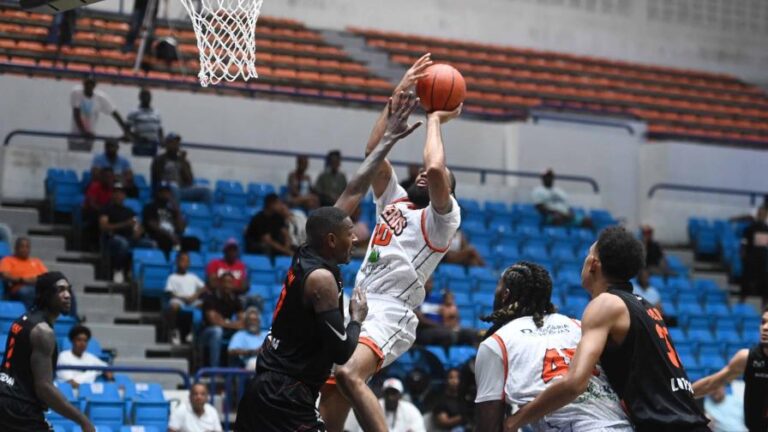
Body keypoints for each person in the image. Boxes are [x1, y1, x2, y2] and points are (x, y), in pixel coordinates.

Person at [234, 89, 421, 432]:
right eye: (350, 234)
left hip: (271, 385)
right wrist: (357, 319)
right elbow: (341, 352)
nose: (356, 239)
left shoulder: (310, 250)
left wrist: (387, 141)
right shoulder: (320, 280)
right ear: (331, 240)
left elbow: (353, 190)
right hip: (286, 396)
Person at [319, 55, 463, 432]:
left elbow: (434, 168)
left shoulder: (441, 220)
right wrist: (398, 94)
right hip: (359, 306)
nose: (422, 173)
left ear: (444, 190)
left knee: (349, 375)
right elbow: (373, 152)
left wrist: (434, 117)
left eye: (433, 178)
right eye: (419, 172)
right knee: (330, 398)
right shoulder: (394, 199)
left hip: (392, 311)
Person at [505, 227, 709, 432]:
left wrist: (514, 421)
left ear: (594, 264)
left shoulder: (605, 305)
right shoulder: (646, 307)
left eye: (588, 255)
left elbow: (574, 384)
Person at [474, 262, 632, 431]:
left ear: (505, 295)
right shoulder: (580, 326)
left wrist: (512, 422)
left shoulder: (496, 343)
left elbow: (489, 427)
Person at [0, 272, 95, 432]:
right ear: (46, 294)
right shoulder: (43, 332)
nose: (67, 295)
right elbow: (44, 387)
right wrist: (83, 421)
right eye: (60, 290)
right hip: (19, 407)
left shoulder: (22, 320)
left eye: (68, 290)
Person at [691, 306, 768, 432]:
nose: (765, 328)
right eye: (763, 322)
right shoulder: (747, 358)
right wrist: (678, 397)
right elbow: (711, 384)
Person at [100, 182, 155, 282]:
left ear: (124, 195)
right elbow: (104, 226)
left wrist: (138, 231)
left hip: (130, 238)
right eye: (116, 192)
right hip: (113, 238)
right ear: (112, 195)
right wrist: (124, 224)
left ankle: (137, 272)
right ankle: (118, 269)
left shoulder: (129, 211)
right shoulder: (106, 209)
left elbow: (138, 225)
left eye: (121, 193)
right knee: (123, 244)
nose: (118, 195)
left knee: (150, 244)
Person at [68, 75, 130, 152]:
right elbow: (76, 114)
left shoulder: (100, 98)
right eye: (87, 83)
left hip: (89, 138)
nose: (89, 86)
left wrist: (126, 132)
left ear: (94, 85)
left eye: (91, 84)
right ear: (83, 83)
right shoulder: (76, 93)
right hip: (75, 136)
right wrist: (84, 132)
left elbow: (115, 114)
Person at [344, 378, 426, 432]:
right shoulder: (373, 406)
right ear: (383, 394)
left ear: (400, 395)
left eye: (394, 393)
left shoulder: (411, 410)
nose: (390, 397)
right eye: (388, 393)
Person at [150, 133, 212, 204]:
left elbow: (190, 181)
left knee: (207, 191)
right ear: (167, 145)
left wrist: (183, 161)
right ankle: (175, 213)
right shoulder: (159, 159)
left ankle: (206, 213)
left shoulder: (183, 161)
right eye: (172, 143)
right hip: (165, 189)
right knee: (174, 188)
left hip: (182, 189)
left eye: (177, 143)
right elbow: (157, 177)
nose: (175, 145)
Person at [199, 272, 244, 367]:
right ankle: (214, 370)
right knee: (217, 331)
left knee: (241, 332)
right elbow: (213, 322)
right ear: (220, 283)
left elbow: (242, 322)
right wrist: (231, 324)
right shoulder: (210, 298)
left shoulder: (235, 299)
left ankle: (234, 371)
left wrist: (225, 322)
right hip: (206, 333)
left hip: (227, 330)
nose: (227, 285)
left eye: (230, 283)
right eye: (225, 282)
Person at [164, 251, 206, 345]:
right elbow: (170, 293)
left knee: (204, 305)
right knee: (174, 306)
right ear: (177, 262)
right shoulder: (172, 277)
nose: (184, 263)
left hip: (192, 300)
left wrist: (195, 296)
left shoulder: (193, 277)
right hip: (179, 300)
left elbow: (204, 287)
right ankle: (174, 332)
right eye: (182, 260)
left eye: (187, 261)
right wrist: (183, 299)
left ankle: (194, 331)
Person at [0, 237, 48, 309]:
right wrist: (23, 280)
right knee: (28, 291)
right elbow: (5, 275)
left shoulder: (36, 261)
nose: (25, 249)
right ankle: (31, 317)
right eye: (22, 246)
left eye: (27, 247)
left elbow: (47, 277)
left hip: (38, 286)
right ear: (16, 248)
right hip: (19, 288)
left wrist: (36, 280)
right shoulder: (8, 260)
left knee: (65, 293)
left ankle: (67, 318)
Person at [142, 183, 185, 256]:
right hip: (157, 235)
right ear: (158, 193)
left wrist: (178, 212)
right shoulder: (150, 207)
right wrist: (169, 235)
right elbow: (152, 224)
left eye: (168, 192)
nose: (166, 194)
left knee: (193, 242)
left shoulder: (172, 210)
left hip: (173, 236)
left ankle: (184, 262)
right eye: (163, 192)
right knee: (166, 240)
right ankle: (167, 262)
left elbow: (181, 229)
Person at [741, 207, 768, 303]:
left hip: (762, 258)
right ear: (757, 215)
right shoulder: (750, 228)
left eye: (764, 214)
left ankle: (764, 303)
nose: (762, 216)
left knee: (764, 280)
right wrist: (743, 254)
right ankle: (742, 300)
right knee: (747, 279)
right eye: (760, 214)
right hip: (751, 258)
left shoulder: (766, 229)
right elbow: (744, 242)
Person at [126, 88, 164, 156]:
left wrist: (162, 140)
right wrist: (138, 138)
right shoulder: (133, 112)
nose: (146, 97)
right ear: (139, 97)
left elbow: (160, 129)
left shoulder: (156, 113)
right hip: (139, 145)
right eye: (144, 95)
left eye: (148, 95)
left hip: (153, 146)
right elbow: (126, 130)